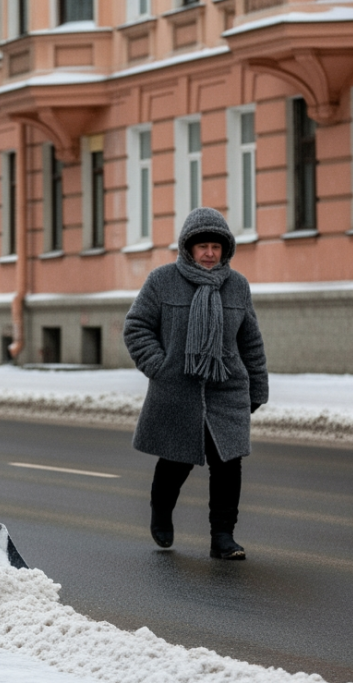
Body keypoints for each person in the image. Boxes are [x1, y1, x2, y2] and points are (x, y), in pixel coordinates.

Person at [123, 207, 268, 561]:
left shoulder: (237, 286)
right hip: (178, 389)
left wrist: (257, 387)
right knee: (176, 461)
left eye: (216, 247)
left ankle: (223, 537)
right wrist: (160, 367)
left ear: (225, 249)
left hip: (226, 389)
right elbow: (136, 327)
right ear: (188, 247)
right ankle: (161, 510)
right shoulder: (162, 280)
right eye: (203, 246)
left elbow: (250, 341)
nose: (209, 253)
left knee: (228, 465)